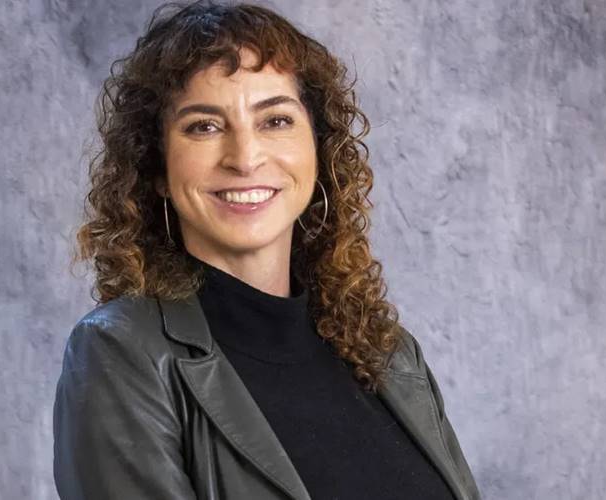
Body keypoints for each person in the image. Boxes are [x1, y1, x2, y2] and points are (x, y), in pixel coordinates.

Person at [52, 1, 481, 499]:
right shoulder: (121, 354)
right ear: (157, 169)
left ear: (317, 149)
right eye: (204, 126)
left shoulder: (390, 355)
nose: (246, 158)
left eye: (275, 120)